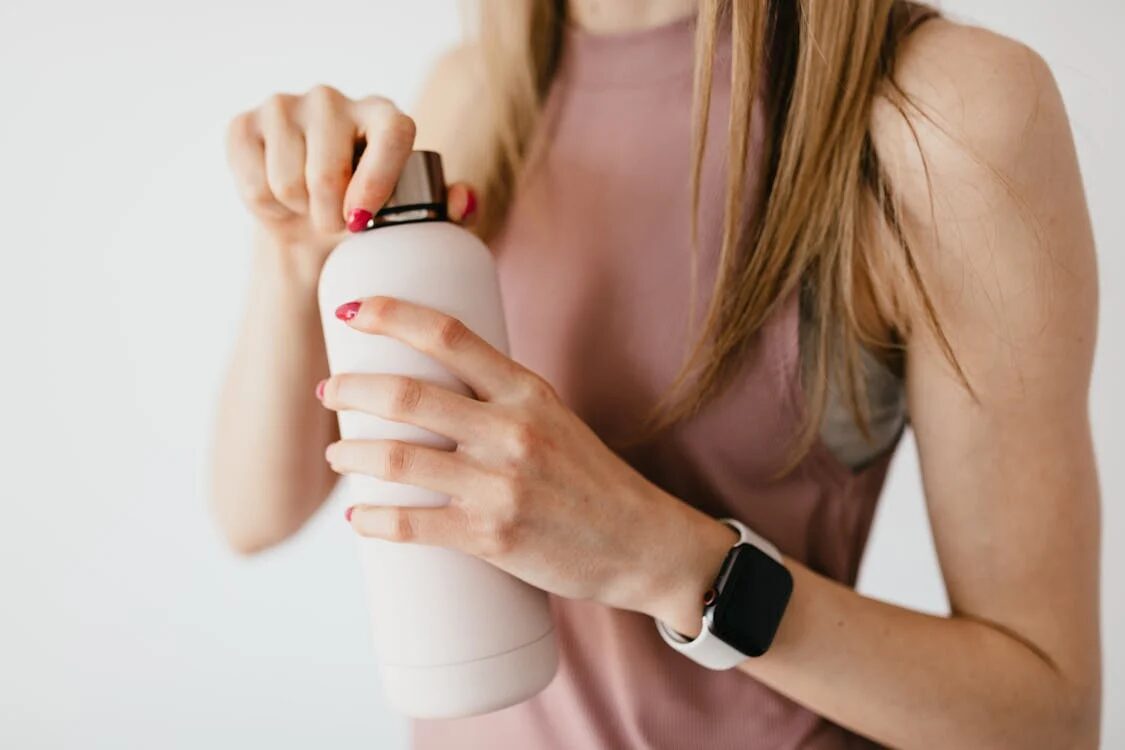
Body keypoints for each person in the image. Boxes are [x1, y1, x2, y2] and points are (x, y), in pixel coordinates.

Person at [211, 1, 1102, 747]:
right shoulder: (479, 89)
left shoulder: (940, 109)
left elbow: (1046, 718)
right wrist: (295, 265)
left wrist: (663, 561)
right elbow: (254, 513)